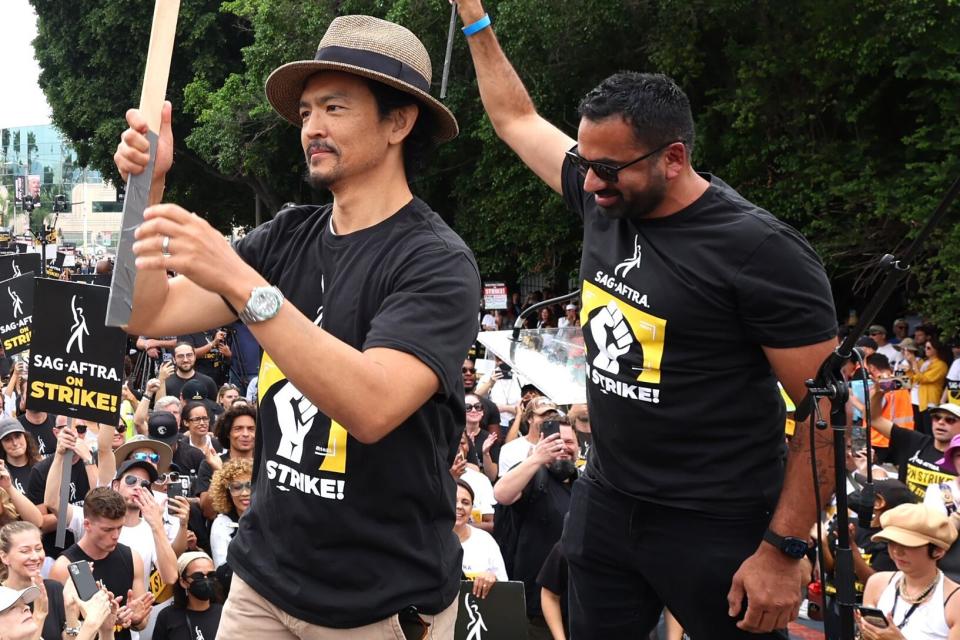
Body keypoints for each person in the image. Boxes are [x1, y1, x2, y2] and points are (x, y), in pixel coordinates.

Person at [454, 3, 839, 636]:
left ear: (674, 158)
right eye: (586, 160)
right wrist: (475, 18)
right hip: (607, 501)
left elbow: (826, 414)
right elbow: (514, 117)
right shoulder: (606, 197)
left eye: (609, 168)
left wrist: (784, 549)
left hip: (715, 520)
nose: (590, 182)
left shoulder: (760, 251)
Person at [114, 13, 479, 637]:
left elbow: (371, 405)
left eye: (335, 107)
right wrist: (149, 187)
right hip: (262, 584)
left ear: (399, 121)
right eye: (307, 110)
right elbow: (144, 313)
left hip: (376, 605)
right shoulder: (288, 234)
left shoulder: (436, 263)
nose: (312, 127)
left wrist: (242, 282)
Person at [494, 420, 579, 636]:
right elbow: (502, 494)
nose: (563, 447)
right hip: (537, 607)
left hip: (579, 605)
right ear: (542, 442)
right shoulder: (534, 476)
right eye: (555, 441)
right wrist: (536, 459)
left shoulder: (585, 483)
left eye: (569, 442)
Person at [50, 487, 154, 639]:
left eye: (120, 527)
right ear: (87, 525)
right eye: (108, 529)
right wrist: (100, 621)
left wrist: (136, 619)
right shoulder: (67, 567)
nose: (116, 535)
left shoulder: (131, 557)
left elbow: (141, 623)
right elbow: (59, 631)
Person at [859, 503, 960, 638]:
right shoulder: (877, 583)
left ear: (938, 551)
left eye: (908, 545)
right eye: (891, 542)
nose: (897, 551)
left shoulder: (954, 600)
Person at [871, 393, 960, 500]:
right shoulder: (914, 441)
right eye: (937, 418)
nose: (941, 422)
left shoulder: (957, 458)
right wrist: (879, 392)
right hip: (905, 513)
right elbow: (874, 419)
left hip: (941, 516)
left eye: (950, 420)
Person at [0, 521, 71, 640]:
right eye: (24, 551)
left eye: (38, 549)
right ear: (4, 557)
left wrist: (72, 611)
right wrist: (39, 614)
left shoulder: (54, 589)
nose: (35, 557)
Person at [196, 402, 256, 520]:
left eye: (251, 429)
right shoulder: (210, 463)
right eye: (238, 429)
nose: (245, 434)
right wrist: (219, 472)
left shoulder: (266, 465)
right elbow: (208, 512)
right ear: (228, 433)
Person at [453, 480, 505, 601]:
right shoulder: (430, 540)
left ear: (472, 508)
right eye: (453, 500)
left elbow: (505, 585)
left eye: (465, 502)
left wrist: (492, 578)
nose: (459, 506)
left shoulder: (485, 541)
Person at [152, 551, 223, 640]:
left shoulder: (225, 613)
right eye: (198, 576)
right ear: (183, 582)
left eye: (211, 575)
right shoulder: (167, 617)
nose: (206, 580)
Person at [207, 458, 252, 569]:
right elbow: (223, 572)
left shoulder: (270, 518)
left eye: (250, 486)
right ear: (227, 492)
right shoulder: (222, 524)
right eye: (236, 487)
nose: (245, 493)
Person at [0, 419, 41, 495]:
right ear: (1, 445)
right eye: (8, 439)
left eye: (18, 436)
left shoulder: (42, 466)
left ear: (26, 437)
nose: (15, 443)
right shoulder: (2, 473)